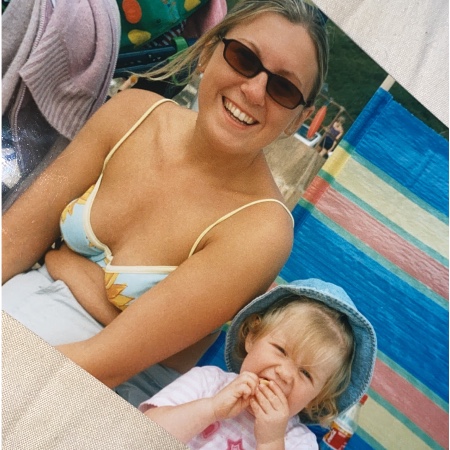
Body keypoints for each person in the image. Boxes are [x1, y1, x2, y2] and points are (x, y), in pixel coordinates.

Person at [2, 0, 329, 406]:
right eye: (244, 58)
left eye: (283, 88)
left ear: (297, 119)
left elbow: (106, 362)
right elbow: (14, 238)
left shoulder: (261, 229)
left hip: (89, 389)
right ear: (208, 51)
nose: (254, 90)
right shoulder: (132, 114)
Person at [139, 279, 377, 449]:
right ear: (252, 337)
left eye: (306, 373)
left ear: (317, 399)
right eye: (281, 350)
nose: (285, 374)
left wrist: (271, 441)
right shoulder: (208, 381)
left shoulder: (298, 441)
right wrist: (211, 408)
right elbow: (142, 434)